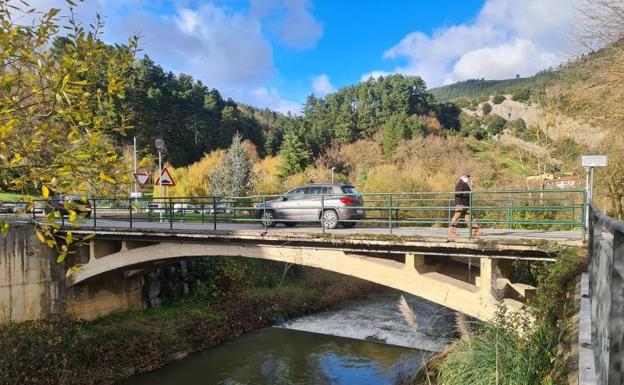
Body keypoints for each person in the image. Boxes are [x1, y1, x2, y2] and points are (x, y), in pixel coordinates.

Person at [448, 172, 480, 236]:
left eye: (467, 177)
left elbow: (468, 194)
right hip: (461, 204)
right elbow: (458, 194)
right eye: (465, 177)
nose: (467, 178)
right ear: (461, 177)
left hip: (466, 204)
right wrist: (460, 204)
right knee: (456, 217)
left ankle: (475, 231)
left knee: (469, 218)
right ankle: (451, 232)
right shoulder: (460, 184)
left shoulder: (465, 184)